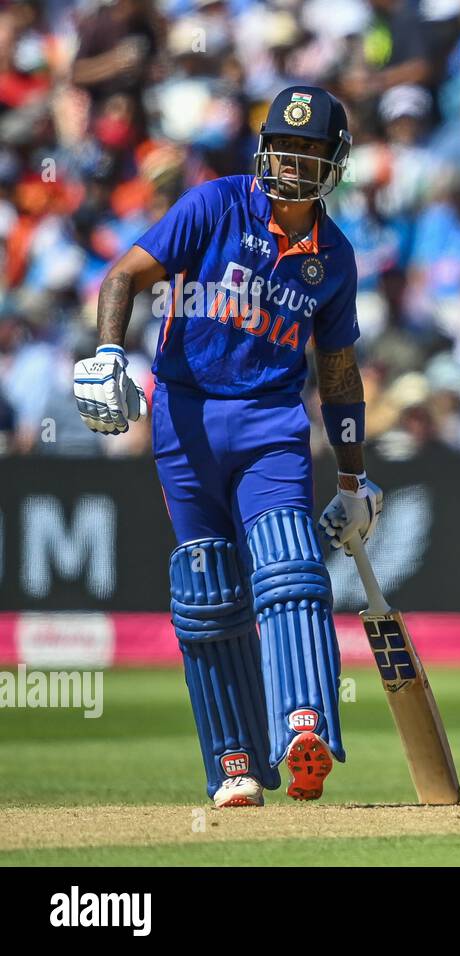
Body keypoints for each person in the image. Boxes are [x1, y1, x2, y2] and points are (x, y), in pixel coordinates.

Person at [71, 87, 381, 808]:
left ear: (333, 162)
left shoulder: (333, 257)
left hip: (271, 421)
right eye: (284, 145)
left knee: (294, 566)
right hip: (184, 418)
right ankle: (234, 765)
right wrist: (108, 355)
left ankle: (303, 725)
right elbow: (124, 274)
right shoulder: (214, 205)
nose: (294, 161)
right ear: (264, 146)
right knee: (207, 590)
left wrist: (353, 480)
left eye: (310, 150)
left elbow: (337, 371)